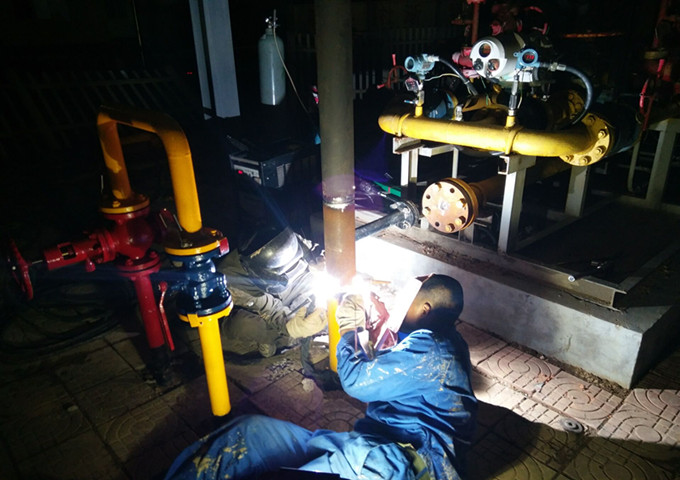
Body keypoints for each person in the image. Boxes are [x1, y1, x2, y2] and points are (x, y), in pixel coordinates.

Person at [164, 273, 477, 480]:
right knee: (249, 433)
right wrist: (375, 329)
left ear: (425, 309)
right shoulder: (441, 341)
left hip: (406, 463)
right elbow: (395, 366)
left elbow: (356, 380)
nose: (397, 309)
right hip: (371, 444)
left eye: (403, 305)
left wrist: (350, 328)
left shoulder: (434, 349)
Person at [217, 226, 327, 358]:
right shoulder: (233, 280)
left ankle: (290, 328)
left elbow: (314, 249)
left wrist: (320, 260)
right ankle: (272, 338)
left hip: (292, 289)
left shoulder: (285, 238)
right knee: (242, 325)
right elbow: (271, 309)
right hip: (261, 306)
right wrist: (291, 327)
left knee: (319, 298)